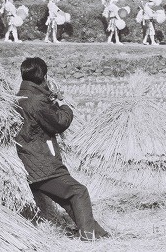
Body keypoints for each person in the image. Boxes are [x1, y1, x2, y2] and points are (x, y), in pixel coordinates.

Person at [14, 57, 109, 241]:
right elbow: (59, 122)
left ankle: (99, 234)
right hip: (42, 164)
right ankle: (89, 239)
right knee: (79, 192)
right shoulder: (37, 101)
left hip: (28, 161)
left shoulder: (20, 96)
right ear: (44, 76)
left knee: (70, 199)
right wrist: (65, 105)